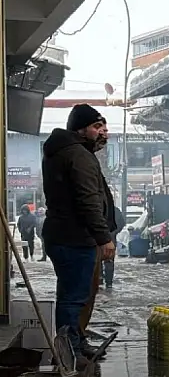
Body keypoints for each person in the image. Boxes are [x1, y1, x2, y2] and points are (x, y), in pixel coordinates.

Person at [41, 103, 117, 363]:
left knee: (72, 294)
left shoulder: (62, 151)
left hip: (63, 235)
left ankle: (75, 340)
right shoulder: (78, 155)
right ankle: (68, 350)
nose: (103, 132)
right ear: (81, 129)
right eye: (97, 127)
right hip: (74, 237)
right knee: (73, 298)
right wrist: (103, 237)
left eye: (104, 126)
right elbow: (87, 200)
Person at [100, 205, 126, 289]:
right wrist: (114, 232)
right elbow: (122, 223)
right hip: (109, 239)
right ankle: (108, 283)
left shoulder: (96, 208)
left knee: (98, 260)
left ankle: (100, 280)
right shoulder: (115, 210)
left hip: (98, 238)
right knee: (109, 261)